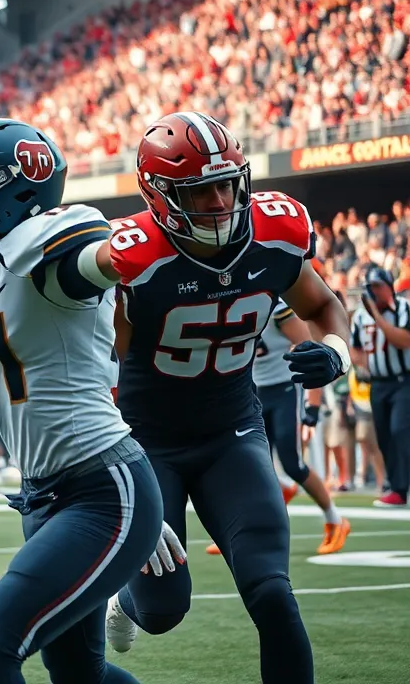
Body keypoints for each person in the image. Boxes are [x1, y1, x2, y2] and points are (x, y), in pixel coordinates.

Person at [98, 112, 351, 684]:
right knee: (162, 611)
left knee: (272, 593)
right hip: (146, 443)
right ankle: (123, 603)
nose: (218, 200)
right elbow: (97, 371)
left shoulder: (274, 234)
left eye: (227, 183)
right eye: (199, 190)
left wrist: (334, 350)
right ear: (159, 196)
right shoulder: (134, 258)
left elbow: (323, 305)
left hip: (231, 433)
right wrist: (120, 471)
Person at [0, 118, 164, 684]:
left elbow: (99, 260)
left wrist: (139, 510)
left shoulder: (51, 252)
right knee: (79, 675)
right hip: (43, 493)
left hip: (102, 487)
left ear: (17, 190)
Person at [204, 303, 349, 555]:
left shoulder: (274, 306)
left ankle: (335, 519)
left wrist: (312, 405)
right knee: (246, 461)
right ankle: (239, 529)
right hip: (253, 392)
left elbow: (309, 350)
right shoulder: (227, 301)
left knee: (292, 462)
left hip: (284, 390)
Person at [349, 265, 410, 506]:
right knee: (384, 436)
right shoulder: (361, 316)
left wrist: (377, 317)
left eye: (377, 287)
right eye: (370, 288)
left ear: (389, 288)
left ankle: (401, 485)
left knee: (399, 430)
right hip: (378, 384)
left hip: (404, 381)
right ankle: (397, 488)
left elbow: (404, 341)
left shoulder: (404, 309)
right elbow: (354, 346)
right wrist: (366, 365)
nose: (373, 292)